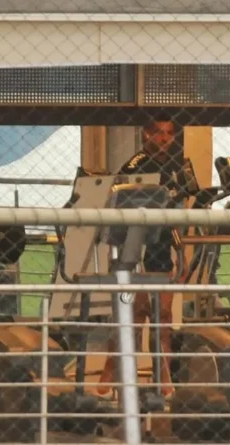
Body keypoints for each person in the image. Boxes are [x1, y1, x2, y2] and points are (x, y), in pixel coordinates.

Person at [97, 120, 182, 399]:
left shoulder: (175, 167)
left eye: (169, 134)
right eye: (159, 133)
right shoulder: (135, 165)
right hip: (134, 251)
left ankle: (164, 379)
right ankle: (110, 373)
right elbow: (119, 198)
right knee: (132, 317)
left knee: (163, 320)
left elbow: (179, 208)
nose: (164, 139)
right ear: (146, 133)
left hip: (162, 251)